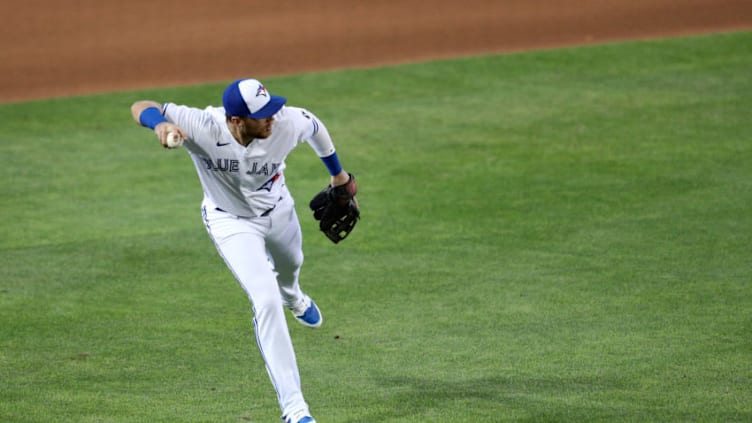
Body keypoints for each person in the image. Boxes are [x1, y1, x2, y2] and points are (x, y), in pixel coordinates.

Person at [130, 78, 358, 423]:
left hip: (279, 210)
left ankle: (293, 295)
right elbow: (140, 106)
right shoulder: (202, 124)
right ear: (235, 120)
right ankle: (296, 410)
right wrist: (159, 123)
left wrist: (338, 176)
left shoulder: (285, 122)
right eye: (262, 115)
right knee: (265, 301)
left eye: (271, 110)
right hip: (231, 222)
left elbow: (314, 126)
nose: (272, 118)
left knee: (292, 265)